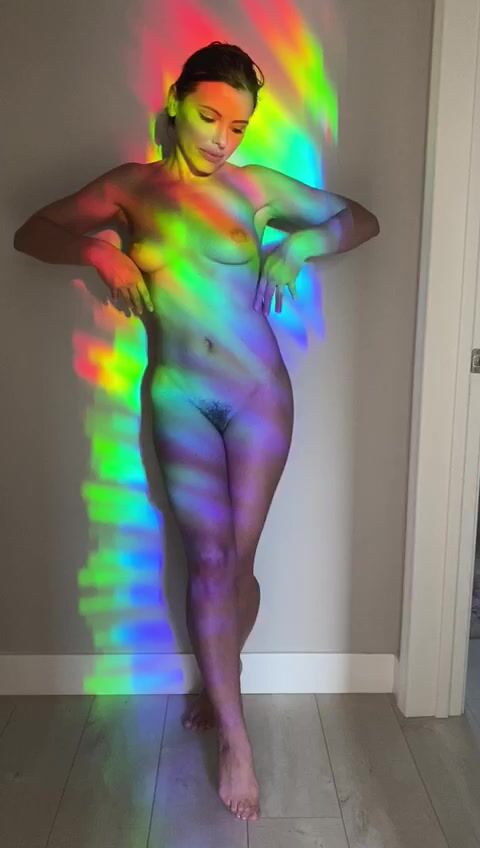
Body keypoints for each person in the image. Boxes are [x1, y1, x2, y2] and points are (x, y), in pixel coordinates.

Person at [13, 41, 379, 822]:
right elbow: (32, 233)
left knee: (237, 562)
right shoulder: (132, 189)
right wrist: (97, 251)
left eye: (238, 126)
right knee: (208, 560)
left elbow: (360, 218)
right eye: (210, 116)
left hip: (257, 395)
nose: (221, 138)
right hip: (179, 393)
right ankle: (236, 739)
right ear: (176, 103)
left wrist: (303, 242)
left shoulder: (255, 189)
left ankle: (218, 680)